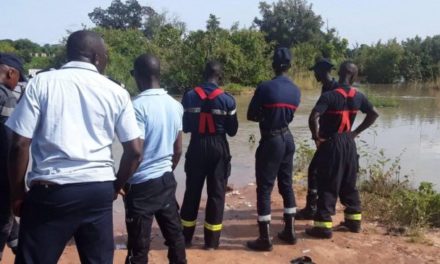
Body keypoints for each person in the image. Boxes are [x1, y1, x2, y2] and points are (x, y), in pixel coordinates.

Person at [6, 30, 142, 264]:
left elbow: (19, 143)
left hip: (52, 192)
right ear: (96, 58)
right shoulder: (117, 92)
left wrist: (17, 194)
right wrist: (115, 187)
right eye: (105, 55)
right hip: (97, 191)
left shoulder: (42, 83)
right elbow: (135, 150)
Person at [124, 54, 187, 264]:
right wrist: (167, 169)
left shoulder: (136, 107)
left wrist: (120, 182)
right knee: (175, 236)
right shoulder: (175, 105)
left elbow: (135, 153)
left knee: (138, 246)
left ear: (138, 76)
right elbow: (178, 149)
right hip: (165, 180)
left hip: (141, 185)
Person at [305, 61, 379, 239]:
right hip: (349, 142)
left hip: (332, 142)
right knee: (348, 182)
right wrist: (355, 132)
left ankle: (323, 227)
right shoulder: (358, 96)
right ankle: (354, 221)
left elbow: (313, 117)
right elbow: (374, 113)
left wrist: (317, 138)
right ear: (353, 76)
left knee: (328, 183)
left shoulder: (330, 95)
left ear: (339, 73)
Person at [246, 47, 301, 251]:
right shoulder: (296, 90)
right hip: (288, 138)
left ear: (273, 64)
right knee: (286, 184)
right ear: (290, 65)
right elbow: (290, 116)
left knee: (265, 188)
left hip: (271, 140)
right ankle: (290, 231)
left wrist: (265, 117)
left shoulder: (265, 87)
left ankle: (264, 238)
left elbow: (251, 114)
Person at [180, 61, 238, 250]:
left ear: (203, 74)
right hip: (218, 147)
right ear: (219, 76)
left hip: (196, 145)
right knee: (216, 194)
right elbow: (233, 131)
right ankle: (211, 242)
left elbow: (186, 127)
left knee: (192, 192)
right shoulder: (228, 100)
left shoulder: (188, 97)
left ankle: (185, 237)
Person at [296, 58, 339, 220]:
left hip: (330, 138)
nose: (314, 74)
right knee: (322, 172)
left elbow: (315, 116)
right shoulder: (327, 87)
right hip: (328, 136)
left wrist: (317, 137)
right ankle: (324, 206)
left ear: (322, 71)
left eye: (315, 71)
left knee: (315, 171)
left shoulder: (333, 89)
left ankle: (312, 208)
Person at [0, 53, 26, 261]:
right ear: (11, 72)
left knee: (11, 226)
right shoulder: (5, 96)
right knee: (3, 221)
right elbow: (11, 142)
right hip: (1, 174)